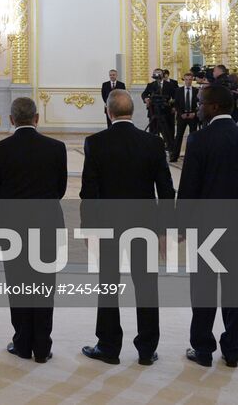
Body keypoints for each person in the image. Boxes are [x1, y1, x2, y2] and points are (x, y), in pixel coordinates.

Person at [80, 90, 174, 366]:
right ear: (134, 112)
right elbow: (166, 192)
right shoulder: (153, 143)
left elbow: (89, 192)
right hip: (145, 225)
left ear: (109, 112)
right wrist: (164, 230)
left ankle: (108, 346)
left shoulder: (95, 143)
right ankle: (146, 349)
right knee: (146, 286)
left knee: (108, 285)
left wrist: (89, 228)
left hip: (108, 225)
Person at [177, 83, 238, 368]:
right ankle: (233, 349)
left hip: (205, 228)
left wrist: (180, 225)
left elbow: (188, 189)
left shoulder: (199, 140)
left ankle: (202, 349)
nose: (198, 107)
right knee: (234, 287)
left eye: (201, 102)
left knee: (202, 287)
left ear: (214, 106)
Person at [0, 96, 66, 363]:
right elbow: (60, 189)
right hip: (47, 224)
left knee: (18, 285)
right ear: (37, 118)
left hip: (12, 225)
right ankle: (42, 347)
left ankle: (22, 343)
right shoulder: (57, 148)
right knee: (44, 286)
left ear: (11, 120)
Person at [141, 68, 175, 156]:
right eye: (155, 73)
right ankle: (151, 150)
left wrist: (173, 105)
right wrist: (146, 99)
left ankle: (171, 149)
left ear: (162, 74)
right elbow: (144, 94)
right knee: (153, 131)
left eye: (159, 73)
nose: (157, 75)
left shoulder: (169, 85)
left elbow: (175, 96)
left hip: (166, 112)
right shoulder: (151, 85)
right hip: (153, 111)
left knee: (167, 132)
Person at [172, 72, 202, 162]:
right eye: (186, 79)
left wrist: (194, 113)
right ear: (184, 80)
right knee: (178, 136)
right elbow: (176, 104)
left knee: (193, 137)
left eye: (190, 79)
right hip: (182, 116)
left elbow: (199, 104)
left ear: (192, 80)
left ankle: (193, 156)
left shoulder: (196, 91)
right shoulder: (178, 91)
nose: (188, 81)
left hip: (193, 116)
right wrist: (181, 113)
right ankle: (174, 156)